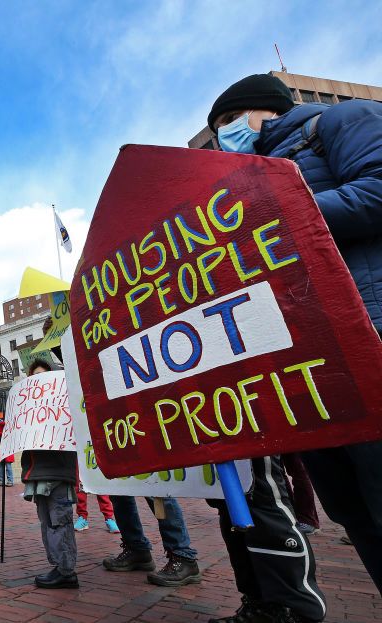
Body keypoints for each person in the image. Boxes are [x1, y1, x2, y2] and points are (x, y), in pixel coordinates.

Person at [206, 73, 339, 621]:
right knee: (239, 501)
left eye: (228, 126)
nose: (223, 139)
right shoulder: (236, 182)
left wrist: (287, 221)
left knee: (272, 494)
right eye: (217, 133)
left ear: (260, 111)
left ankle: (293, 607)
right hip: (244, 367)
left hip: (330, 341)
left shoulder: (337, 125)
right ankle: (260, 602)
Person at [22, 359, 78, 588]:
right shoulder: (29, 409)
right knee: (47, 522)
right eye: (34, 377)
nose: (39, 382)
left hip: (58, 473)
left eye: (43, 377)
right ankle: (58, 565)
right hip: (39, 475)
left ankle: (66, 571)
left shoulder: (66, 406)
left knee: (59, 522)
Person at [0, 415, 14, 486]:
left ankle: (8, 480)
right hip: (1, 449)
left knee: (6, 466)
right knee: (2, 466)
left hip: (6, 449)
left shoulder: (7, 429)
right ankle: (6, 480)